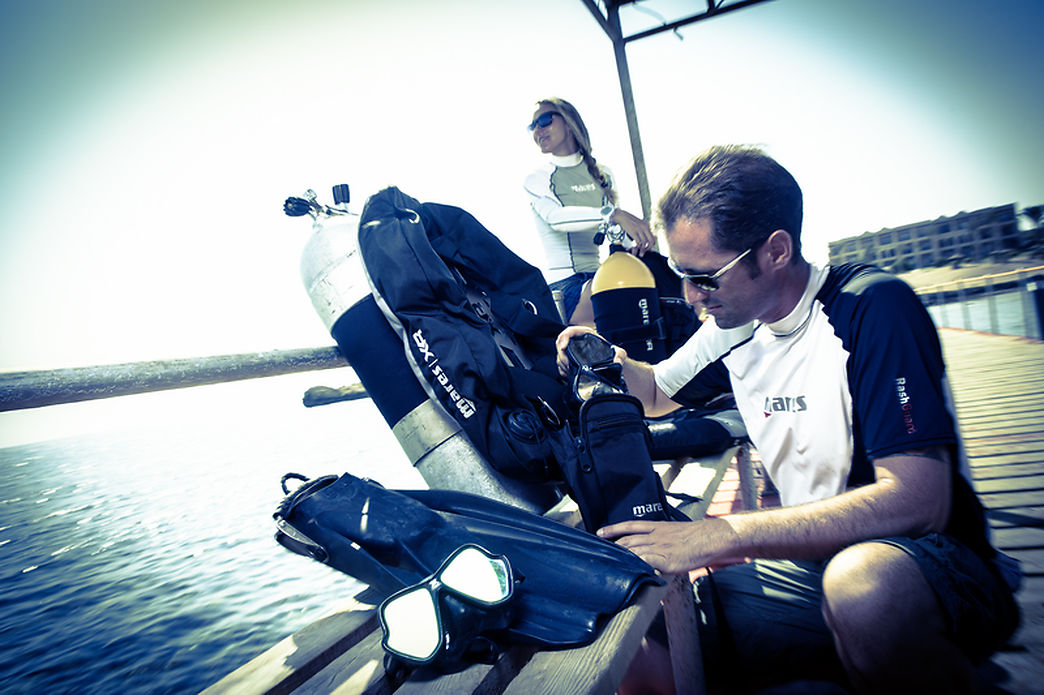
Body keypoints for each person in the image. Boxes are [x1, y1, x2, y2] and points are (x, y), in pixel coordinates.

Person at [555, 145, 1020, 694]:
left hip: (934, 567)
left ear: (776, 251)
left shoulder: (871, 309)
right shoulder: (734, 323)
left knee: (863, 593)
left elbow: (919, 500)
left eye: (706, 277)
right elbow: (655, 391)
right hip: (812, 567)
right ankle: (864, 662)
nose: (691, 297)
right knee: (648, 616)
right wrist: (605, 357)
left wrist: (717, 536)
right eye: (680, 275)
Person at [524, 97, 657, 325]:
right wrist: (614, 214)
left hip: (602, 277)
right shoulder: (538, 178)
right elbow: (556, 219)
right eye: (532, 126)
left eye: (544, 120)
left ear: (568, 122)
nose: (538, 129)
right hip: (567, 286)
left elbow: (618, 233)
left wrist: (636, 244)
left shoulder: (603, 173)